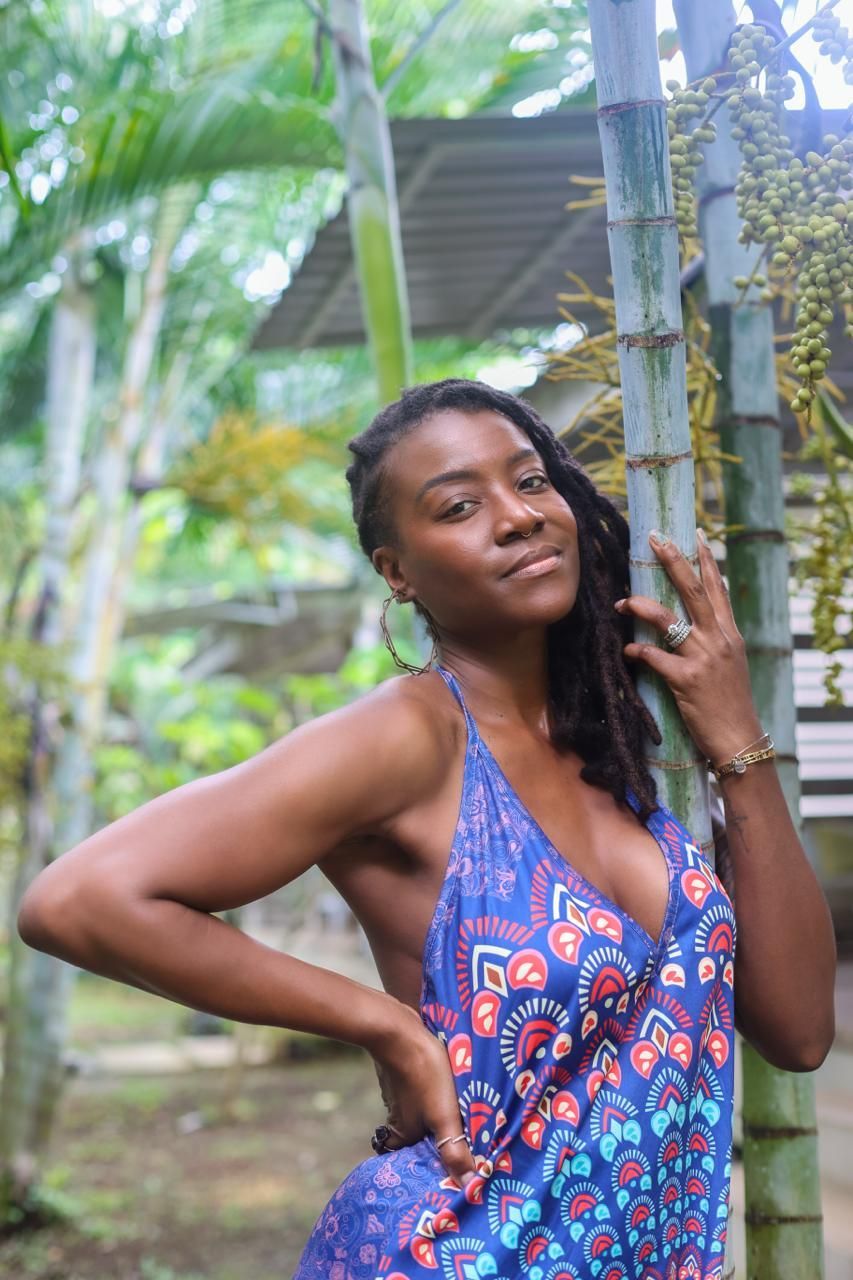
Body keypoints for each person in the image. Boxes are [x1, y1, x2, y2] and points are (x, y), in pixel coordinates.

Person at [18, 378, 836, 1280]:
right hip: (450, 1254)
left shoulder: (633, 748)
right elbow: (79, 900)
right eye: (458, 505)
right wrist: (383, 1025)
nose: (516, 517)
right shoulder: (410, 738)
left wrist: (734, 738)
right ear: (396, 571)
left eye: (529, 483)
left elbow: (796, 1032)